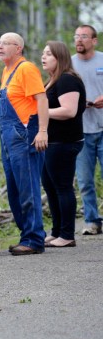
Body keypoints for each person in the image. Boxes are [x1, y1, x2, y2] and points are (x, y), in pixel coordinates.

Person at [0, 32, 49, 256]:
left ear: (19, 48)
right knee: (14, 190)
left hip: (26, 136)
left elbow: (41, 99)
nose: (0, 47)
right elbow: (17, 98)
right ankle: (29, 234)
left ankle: (34, 239)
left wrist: (42, 131)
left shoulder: (26, 69)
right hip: (9, 139)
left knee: (28, 188)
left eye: (6, 43)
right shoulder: (8, 71)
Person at [40, 41, 85, 248]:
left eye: (48, 54)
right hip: (51, 142)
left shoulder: (67, 79)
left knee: (62, 187)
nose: (43, 57)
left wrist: (39, 113)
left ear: (60, 57)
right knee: (50, 187)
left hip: (64, 143)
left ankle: (67, 235)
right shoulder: (52, 80)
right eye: (43, 54)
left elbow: (69, 110)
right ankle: (57, 231)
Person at [71, 24, 103, 235]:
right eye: (76, 36)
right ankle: (92, 221)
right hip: (81, 130)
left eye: (84, 36)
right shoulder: (69, 64)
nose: (79, 40)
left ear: (94, 40)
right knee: (84, 180)